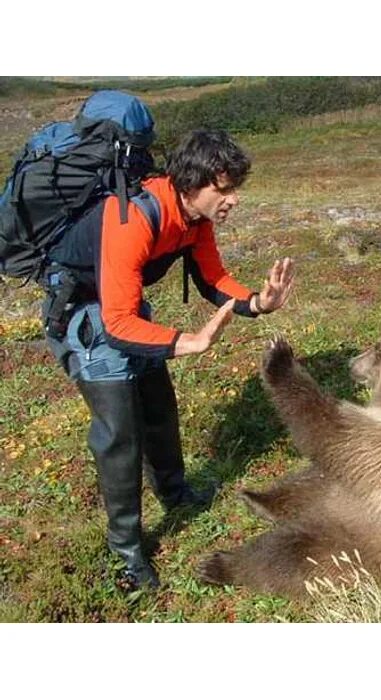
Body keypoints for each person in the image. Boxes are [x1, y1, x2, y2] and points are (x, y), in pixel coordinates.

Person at [40, 129, 294, 589]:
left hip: (122, 304)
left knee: (158, 406)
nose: (233, 199)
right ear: (191, 183)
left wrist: (258, 302)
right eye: (224, 187)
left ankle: (175, 493)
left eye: (235, 187)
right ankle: (128, 551)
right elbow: (116, 324)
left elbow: (213, 277)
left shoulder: (195, 219)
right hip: (86, 314)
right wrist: (188, 341)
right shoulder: (132, 218)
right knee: (119, 435)